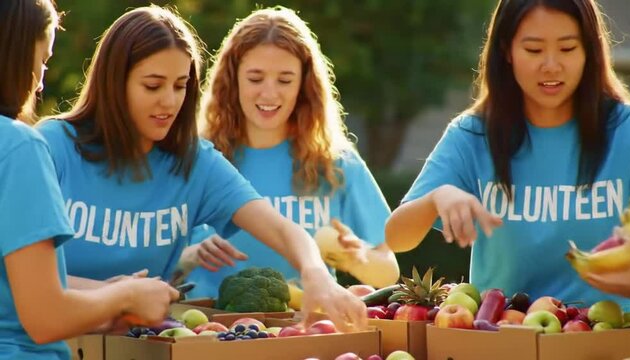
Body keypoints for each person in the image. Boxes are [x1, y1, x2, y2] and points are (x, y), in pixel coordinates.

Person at [36, 5, 365, 331]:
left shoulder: (195, 162)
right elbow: (12, 272)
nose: (169, 101)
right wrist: (115, 294)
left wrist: (315, 272)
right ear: (114, 83)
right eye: (153, 85)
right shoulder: (51, 146)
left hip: (139, 346)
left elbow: (282, 229)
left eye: (180, 86)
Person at [385, 0, 630, 311]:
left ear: (590, 51)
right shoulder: (472, 134)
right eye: (533, 50)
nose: (551, 64)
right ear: (507, 51)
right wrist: (437, 196)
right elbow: (396, 238)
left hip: (613, 341)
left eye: (568, 48)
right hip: (502, 339)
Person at [0, 1, 178, 359]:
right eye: (44, 59)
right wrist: (127, 295)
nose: (41, 79)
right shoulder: (19, 146)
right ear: (16, 53)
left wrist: (100, 304)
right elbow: (45, 319)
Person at [183, 6, 399, 299]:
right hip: (209, 332)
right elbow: (154, 265)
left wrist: (354, 256)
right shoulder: (197, 160)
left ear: (304, 84)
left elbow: (389, 270)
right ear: (232, 80)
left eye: (285, 80)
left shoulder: (335, 162)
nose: (270, 94)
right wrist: (191, 254)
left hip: (308, 333)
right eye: (255, 79)